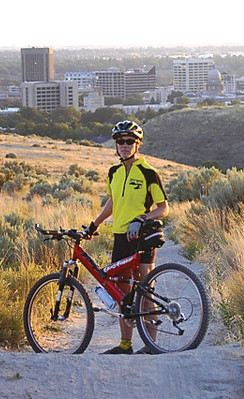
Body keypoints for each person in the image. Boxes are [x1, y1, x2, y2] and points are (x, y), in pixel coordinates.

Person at [85, 120, 169, 355]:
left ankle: (151, 346)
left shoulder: (149, 172)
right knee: (122, 292)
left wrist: (141, 219)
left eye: (129, 141)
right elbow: (112, 203)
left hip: (142, 237)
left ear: (138, 144)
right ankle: (125, 345)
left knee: (145, 290)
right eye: (120, 141)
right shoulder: (114, 172)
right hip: (120, 237)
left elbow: (163, 208)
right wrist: (95, 224)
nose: (124, 145)